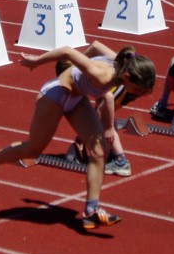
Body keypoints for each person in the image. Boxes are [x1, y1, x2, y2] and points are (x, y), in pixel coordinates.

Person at [0, 44, 156, 230]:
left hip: (76, 99)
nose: (138, 95)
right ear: (127, 77)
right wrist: (37, 61)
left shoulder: (123, 62)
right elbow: (67, 51)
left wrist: (107, 125)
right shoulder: (102, 74)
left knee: (100, 151)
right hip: (55, 95)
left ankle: (91, 211)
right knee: (33, 149)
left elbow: (97, 46)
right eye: (138, 90)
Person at [58, 41, 140, 177]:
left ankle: (121, 161)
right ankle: (115, 156)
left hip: (123, 89)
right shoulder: (114, 60)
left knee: (105, 122)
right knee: (105, 120)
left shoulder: (91, 73)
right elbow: (95, 45)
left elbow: (107, 99)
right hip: (130, 85)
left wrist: (86, 134)